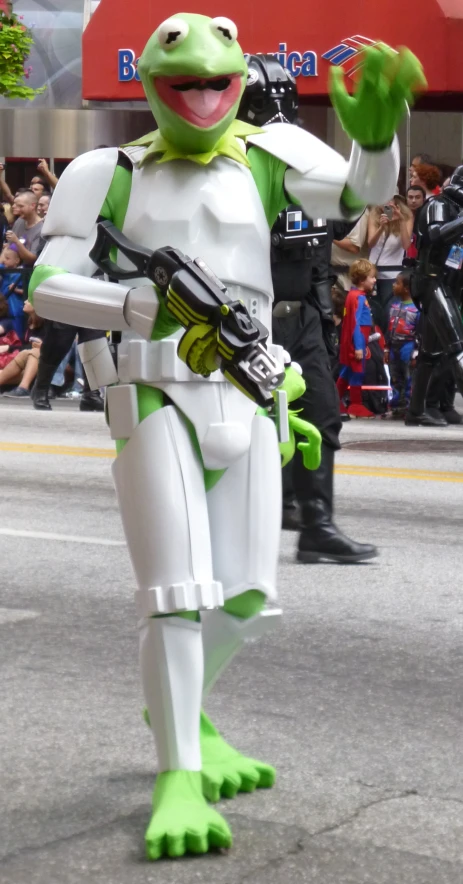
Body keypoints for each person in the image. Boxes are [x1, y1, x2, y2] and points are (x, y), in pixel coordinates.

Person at [28, 12, 424, 861]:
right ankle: (176, 770)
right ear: (145, 77)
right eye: (179, 61)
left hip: (246, 388)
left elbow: (358, 195)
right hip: (155, 388)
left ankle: (179, 707)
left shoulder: (268, 157)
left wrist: (379, 139)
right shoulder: (109, 171)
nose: (202, 85)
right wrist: (140, 305)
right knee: (175, 593)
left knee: (245, 598)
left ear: (240, 73)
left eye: (218, 69)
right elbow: (51, 282)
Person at [240, 53, 378, 562]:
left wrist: (369, 147)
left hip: (303, 315)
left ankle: (316, 524)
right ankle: (263, 510)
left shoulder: (306, 163)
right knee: (243, 424)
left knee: (321, 414)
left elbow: (340, 225)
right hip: (248, 318)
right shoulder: (232, 169)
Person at [406, 165, 463, 426]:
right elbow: (436, 235)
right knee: (457, 348)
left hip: (449, 284)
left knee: (431, 353)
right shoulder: (438, 204)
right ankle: (420, 409)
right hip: (431, 281)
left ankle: (417, 410)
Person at [336, 259, 377, 418]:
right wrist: (359, 346)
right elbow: (356, 324)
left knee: (346, 372)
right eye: (371, 277)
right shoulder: (358, 297)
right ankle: (355, 405)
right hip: (356, 344)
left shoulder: (352, 295)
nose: (374, 280)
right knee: (356, 373)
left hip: (352, 342)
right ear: (362, 279)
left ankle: (336, 401)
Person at [368, 195, 413, 331]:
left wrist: (401, 221)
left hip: (392, 273)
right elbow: (370, 243)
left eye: (388, 200)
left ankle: (388, 343)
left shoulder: (406, 215)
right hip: (373, 272)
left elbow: (406, 245)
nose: (385, 204)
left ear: (395, 200)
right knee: (374, 310)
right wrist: (382, 227)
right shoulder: (374, 214)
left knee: (389, 311)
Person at [385, 270, 420, 418]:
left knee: (408, 376)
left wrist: (416, 352)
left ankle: (408, 405)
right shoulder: (393, 306)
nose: (393, 285)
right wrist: (386, 349)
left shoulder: (417, 308)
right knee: (394, 376)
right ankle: (395, 405)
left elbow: (420, 332)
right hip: (394, 346)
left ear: (407, 288)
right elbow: (388, 329)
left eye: (397, 283)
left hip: (408, 346)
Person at [0, 300, 45, 395]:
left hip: (45, 361)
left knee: (34, 352)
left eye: (29, 300)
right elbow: (24, 346)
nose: (24, 301)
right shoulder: (30, 323)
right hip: (28, 362)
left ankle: (23, 387)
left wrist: (8, 347)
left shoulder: (6, 322)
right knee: (24, 353)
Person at [331, 208, 370, 294]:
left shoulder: (359, 212)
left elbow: (354, 247)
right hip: (333, 275)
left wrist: (328, 235)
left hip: (348, 279)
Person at [5, 190, 43, 266]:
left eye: (21, 206)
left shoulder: (41, 228)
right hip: (13, 270)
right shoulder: (19, 221)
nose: (16, 209)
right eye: (15, 205)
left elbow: (32, 259)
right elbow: (9, 248)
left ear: (32, 206)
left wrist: (16, 241)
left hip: (29, 272)